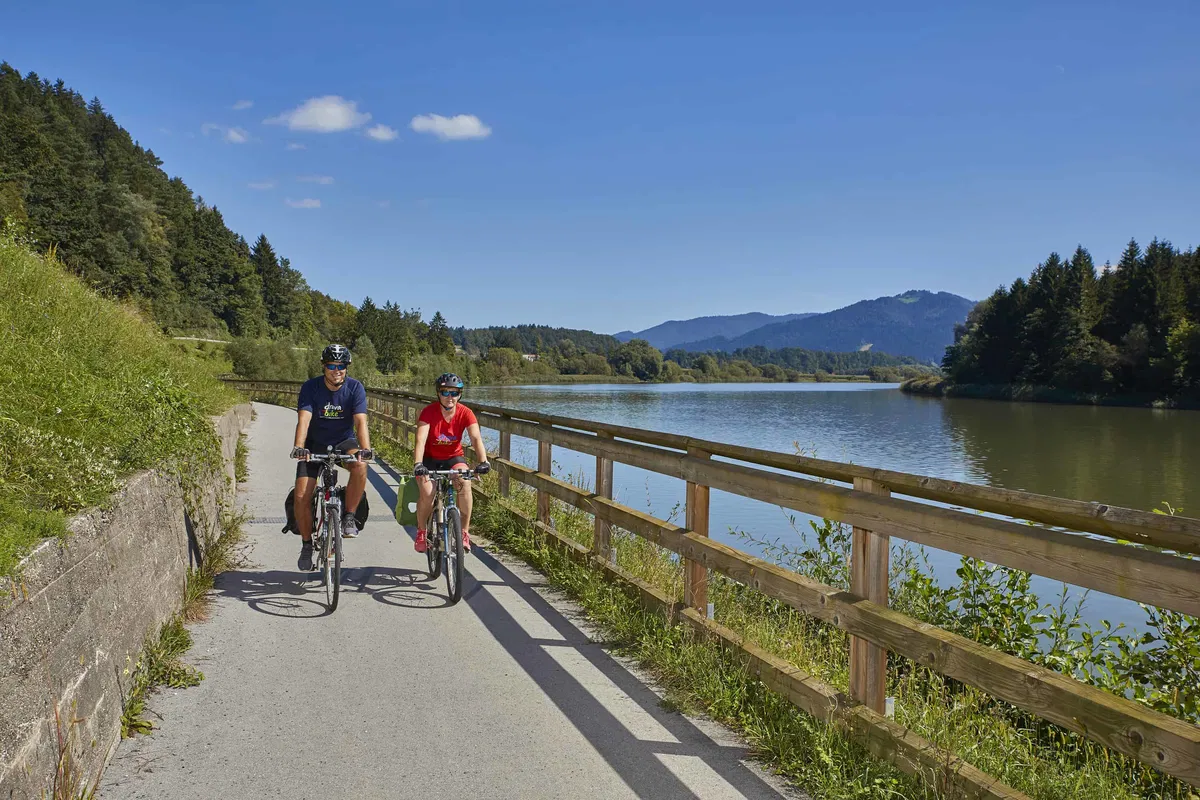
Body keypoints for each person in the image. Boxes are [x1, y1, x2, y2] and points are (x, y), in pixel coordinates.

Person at [290, 344, 373, 571]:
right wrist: (299, 447)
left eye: (341, 366)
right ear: (324, 366)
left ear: (347, 367)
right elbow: (304, 419)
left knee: (360, 466)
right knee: (301, 496)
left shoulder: (355, 388)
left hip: (343, 443)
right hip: (314, 444)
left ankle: (348, 516)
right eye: (332, 365)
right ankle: (307, 544)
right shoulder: (311, 388)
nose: (337, 370)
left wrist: (365, 449)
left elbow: (360, 422)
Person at [412, 373, 490, 553]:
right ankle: (422, 531)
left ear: (460, 395)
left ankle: (463, 532)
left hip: (453, 457)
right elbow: (420, 440)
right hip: (429, 460)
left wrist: (483, 461)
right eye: (445, 392)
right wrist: (418, 464)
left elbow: (476, 438)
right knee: (428, 493)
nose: (450, 397)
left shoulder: (465, 413)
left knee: (464, 482)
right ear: (438, 393)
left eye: (454, 393)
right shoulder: (429, 412)